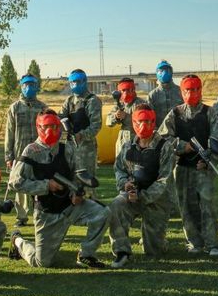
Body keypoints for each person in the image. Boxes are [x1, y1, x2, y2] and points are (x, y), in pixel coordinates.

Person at [8, 109, 110, 268]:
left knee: (103, 213)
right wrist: (46, 185)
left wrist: (79, 193)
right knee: (41, 262)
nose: (51, 131)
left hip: (70, 206)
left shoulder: (66, 149)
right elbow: (15, 182)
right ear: (38, 127)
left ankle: (86, 254)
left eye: (55, 126)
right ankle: (18, 241)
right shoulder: (31, 151)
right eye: (46, 126)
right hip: (47, 213)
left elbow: (76, 175)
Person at [158, 74, 218, 255]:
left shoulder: (209, 112)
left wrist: (208, 159)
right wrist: (182, 146)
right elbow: (162, 138)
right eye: (189, 89)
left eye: (196, 89)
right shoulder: (175, 113)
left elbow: (216, 139)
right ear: (182, 91)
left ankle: (213, 243)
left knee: (207, 205)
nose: (193, 93)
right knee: (186, 206)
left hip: (203, 167)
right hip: (182, 167)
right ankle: (194, 242)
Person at [108, 104, 175, 266]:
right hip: (132, 196)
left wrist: (142, 196)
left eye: (148, 122)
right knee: (116, 205)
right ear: (133, 122)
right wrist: (126, 185)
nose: (143, 126)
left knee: (152, 251)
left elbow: (163, 181)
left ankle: (159, 241)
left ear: (154, 123)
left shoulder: (165, 147)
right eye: (139, 122)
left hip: (156, 201)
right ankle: (122, 251)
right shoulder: (127, 146)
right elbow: (119, 170)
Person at [4, 74, 47, 225]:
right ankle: (21, 216)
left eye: (32, 84)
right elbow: (9, 132)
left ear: (36, 86)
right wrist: (9, 156)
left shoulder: (42, 107)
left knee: (38, 182)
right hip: (20, 153)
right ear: (21, 86)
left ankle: (39, 213)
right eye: (25, 85)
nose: (28, 87)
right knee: (19, 184)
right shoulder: (14, 107)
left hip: (39, 153)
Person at [146, 60, 183, 219]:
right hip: (160, 140)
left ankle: (179, 205)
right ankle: (166, 205)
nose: (164, 72)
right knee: (163, 174)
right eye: (161, 70)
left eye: (167, 69)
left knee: (179, 174)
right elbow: (149, 117)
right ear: (156, 73)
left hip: (180, 138)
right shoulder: (153, 95)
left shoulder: (180, 91)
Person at [60, 69, 102, 198]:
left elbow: (96, 126)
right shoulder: (69, 100)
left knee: (87, 182)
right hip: (70, 147)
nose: (75, 85)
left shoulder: (92, 100)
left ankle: (91, 212)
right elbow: (61, 117)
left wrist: (82, 135)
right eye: (72, 82)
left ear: (85, 81)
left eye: (77, 81)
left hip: (86, 148)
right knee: (72, 181)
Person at [106, 77, 147, 158]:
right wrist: (116, 117)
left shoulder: (142, 104)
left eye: (128, 90)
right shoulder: (120, 105)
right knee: (121, 169)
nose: (126, 93)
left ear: (133, 90)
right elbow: (108, 122)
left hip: (138, 143)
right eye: (123, 90)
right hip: (122, 144)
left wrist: (127, 117)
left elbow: (145, 122)